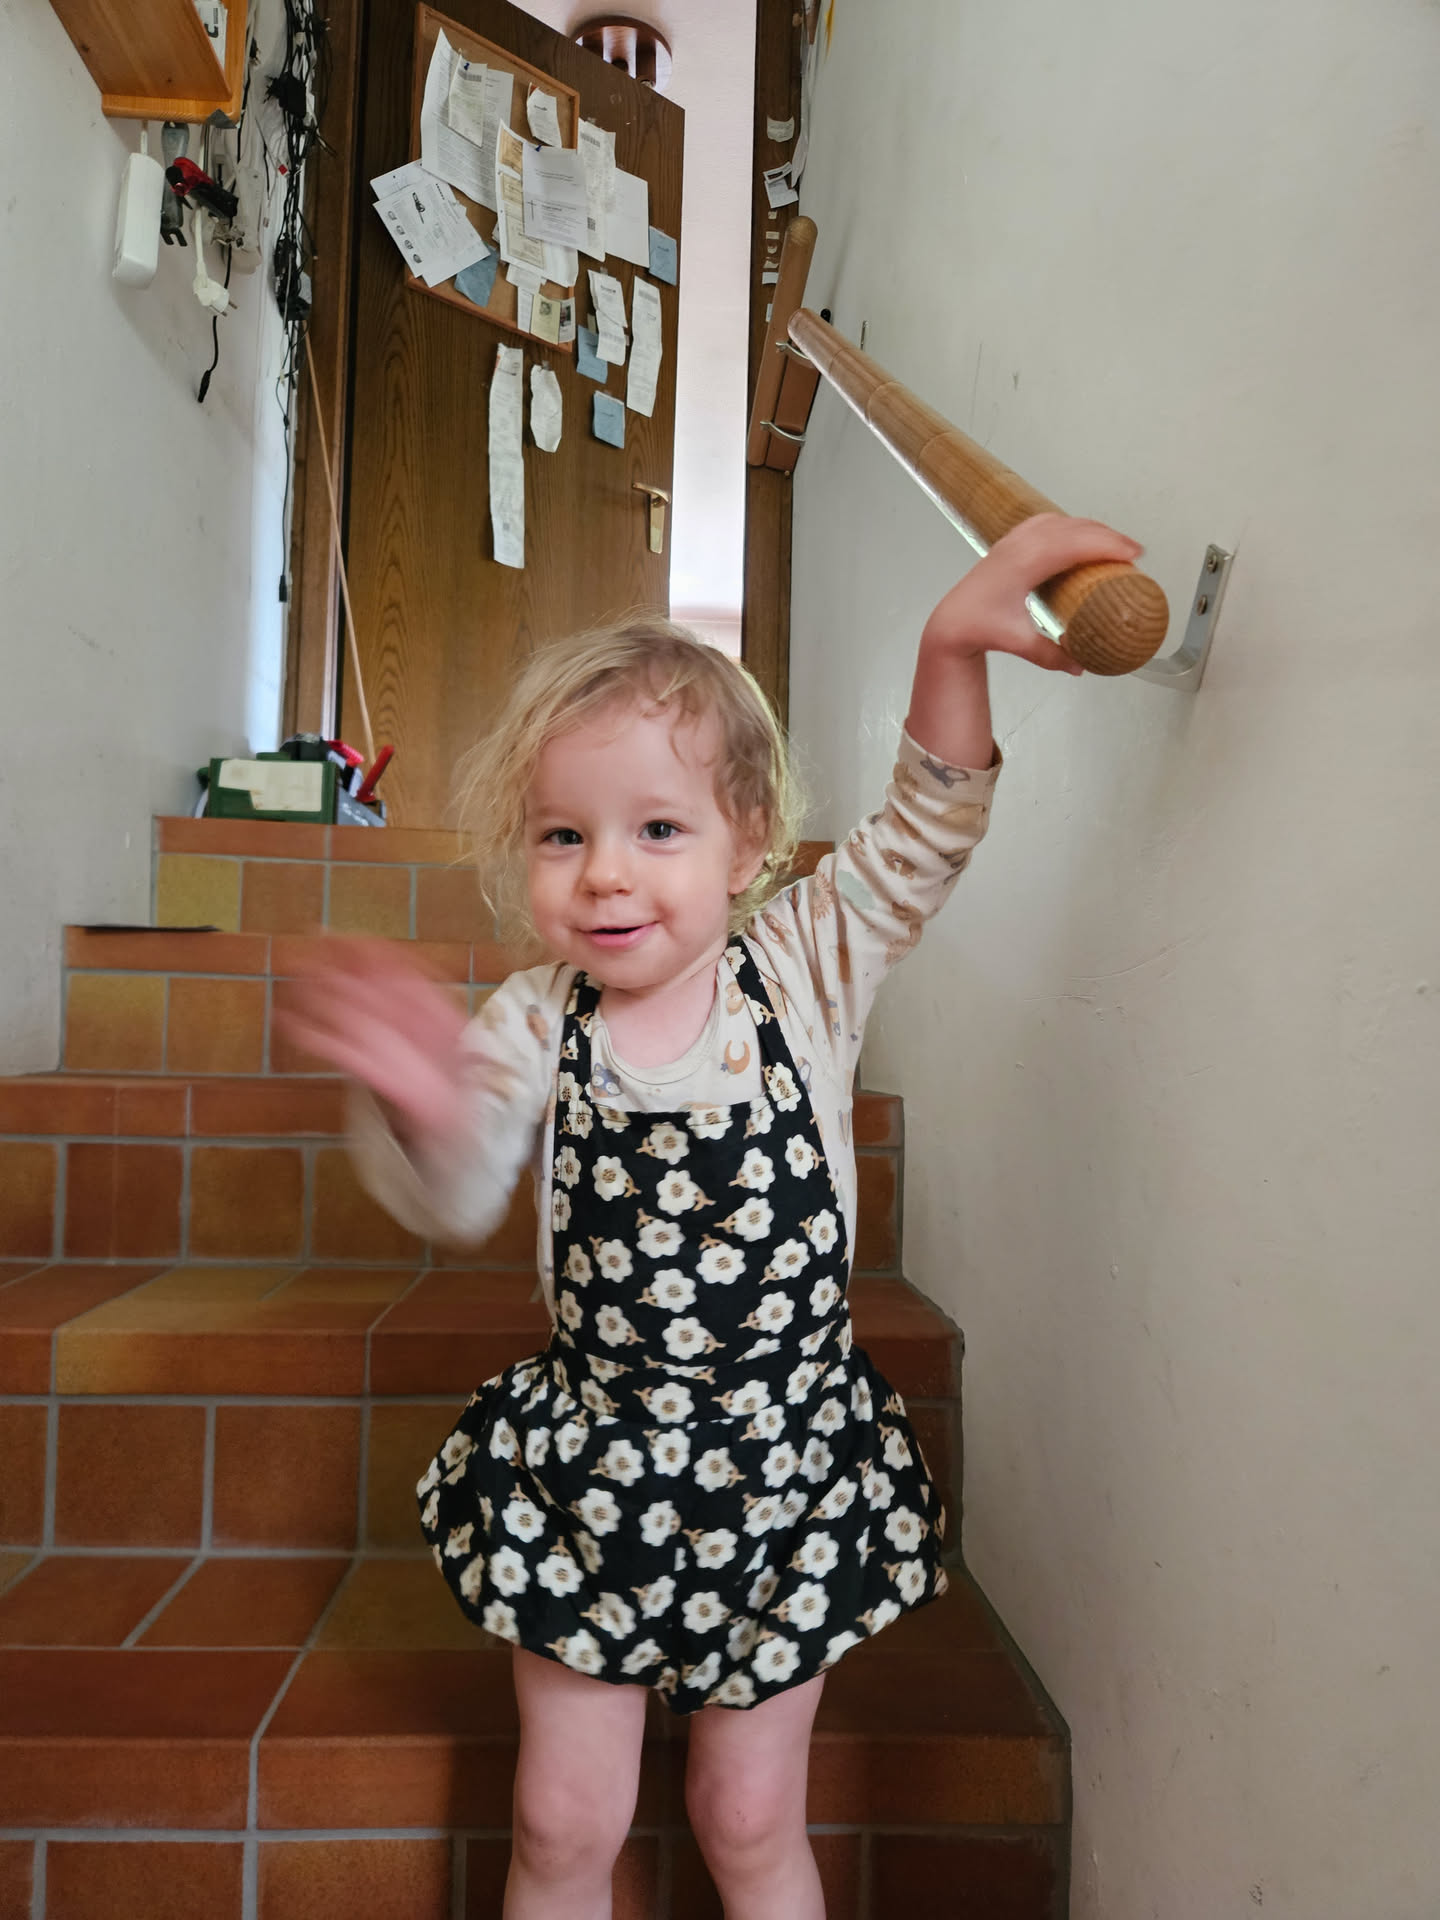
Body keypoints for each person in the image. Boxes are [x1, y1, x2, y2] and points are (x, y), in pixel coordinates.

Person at [282, 513, 1140, 1920]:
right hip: (597, 1473)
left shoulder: (804, 967)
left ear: (749, 847)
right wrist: (420, 1101)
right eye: (565, 835)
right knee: (561, 1821)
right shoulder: (532, 1019)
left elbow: (927, 831)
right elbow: (459, 1192)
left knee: (747, 1818)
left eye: (659, 829)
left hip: (783, 1475)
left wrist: (950, 645)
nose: (607, 872)